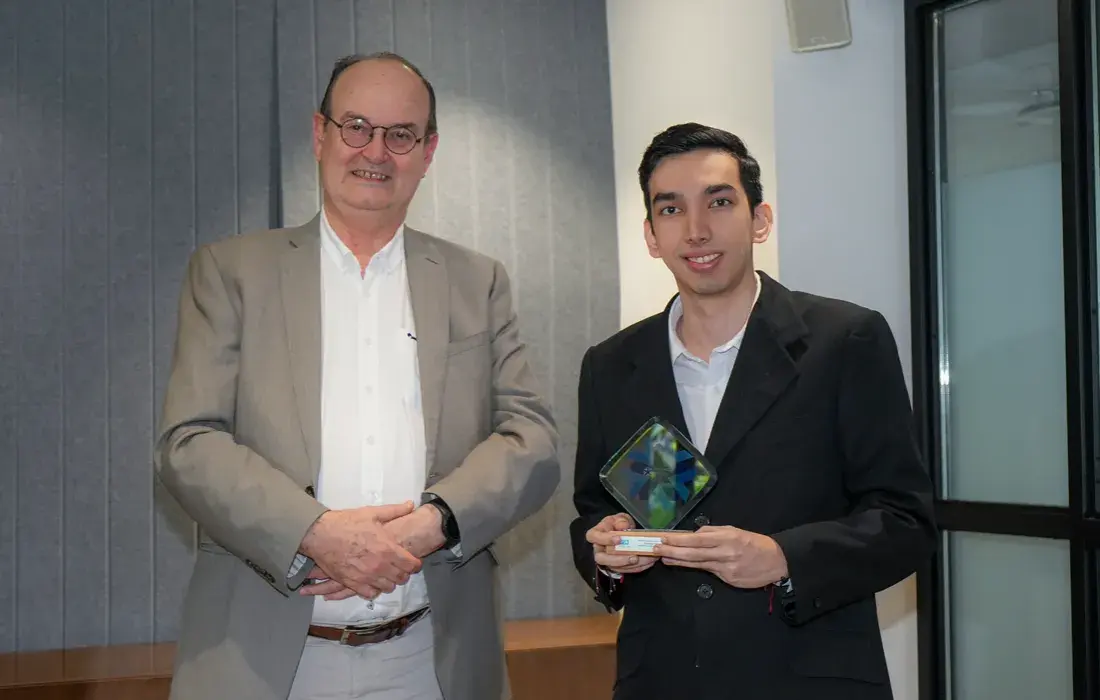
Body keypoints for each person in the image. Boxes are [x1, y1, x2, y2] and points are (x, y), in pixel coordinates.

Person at [154, 52, 559, 700]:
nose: (376, 151)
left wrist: (430, 525)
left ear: (428, 152)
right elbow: (189, 443)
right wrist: (317, 534)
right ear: (321, 135)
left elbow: (532, 441)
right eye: (357, 127)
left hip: (434, 659)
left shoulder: (477, 282)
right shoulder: (231, 273)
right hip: (267, 663)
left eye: (401, 135)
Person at [569, 122, 936, 700]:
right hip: (660, 679)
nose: (695, 230)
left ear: (759, 218)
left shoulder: (845, 342)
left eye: (719, 202)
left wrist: (783, 557)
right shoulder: (611, 365)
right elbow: (592, 510)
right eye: (671, 210)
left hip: (807, 679)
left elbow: (905, 522)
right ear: (650, 234)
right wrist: (608, 550)